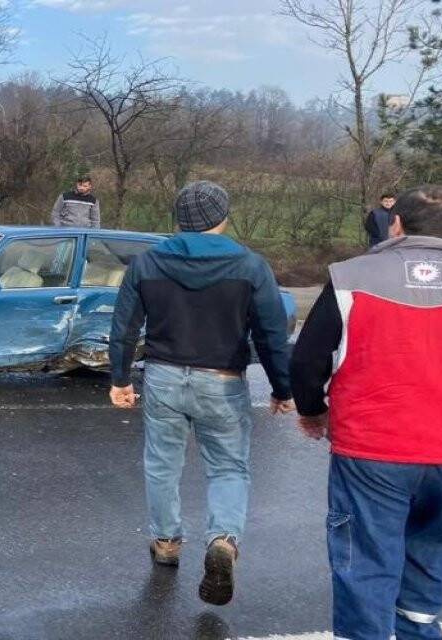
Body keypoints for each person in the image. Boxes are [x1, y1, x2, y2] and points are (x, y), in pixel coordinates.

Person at [289, 184, 442, 640]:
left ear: (395, 223)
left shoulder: (352, 276)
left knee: (367, 566)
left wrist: (313, 411)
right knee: (429, 558)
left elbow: (308, 358)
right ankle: (418, 629)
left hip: (372, 451)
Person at [108, 181, 295, 606]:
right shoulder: (250, 266)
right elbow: (270, 334)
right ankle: (224, 539)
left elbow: (124, 326)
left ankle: (167, 542)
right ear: (223, 217)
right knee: (228, 467)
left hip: (163, 376)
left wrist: (119, 378)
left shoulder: (148, 262)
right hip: (223, 380)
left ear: (179, 219)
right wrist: (282, 388)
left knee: (162, 463)